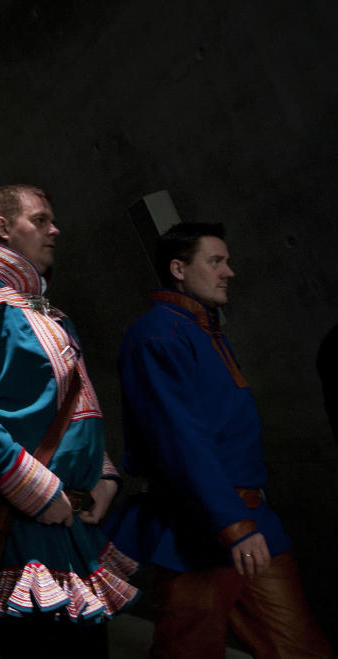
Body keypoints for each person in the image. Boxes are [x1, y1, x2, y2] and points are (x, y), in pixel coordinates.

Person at [0, 184, 138, 657]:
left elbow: (77, 409)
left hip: (73, 519)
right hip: (21, 523)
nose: (55, 230)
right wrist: (37, 490)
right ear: (3, 228)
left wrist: (104, 476)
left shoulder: (52, 312)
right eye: (40, 219)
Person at [104, 222, 332, 657]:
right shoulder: (157, 335)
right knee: (189, 650)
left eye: (226, 261)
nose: (229, 271)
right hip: (200, 527)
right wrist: (232, 524)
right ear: (178, 269)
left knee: (300, 647)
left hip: (251, 521)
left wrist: (245, 521)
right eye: (216, 261)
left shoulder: (205, 332)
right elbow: (181, 442)